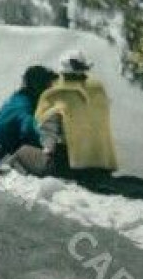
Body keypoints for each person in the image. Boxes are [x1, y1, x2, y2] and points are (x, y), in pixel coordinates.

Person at [12, 52, 119, 183]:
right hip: (101, 165)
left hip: (70, 168)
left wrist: (47, 149)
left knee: (22, 152)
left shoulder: (56, 94)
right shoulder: (98, 90)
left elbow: (48, 132)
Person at [0, 65, 55, 174]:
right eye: (49, 87)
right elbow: (29, 130)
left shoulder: (16, 100)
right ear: (39, 88)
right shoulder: (24, 107)